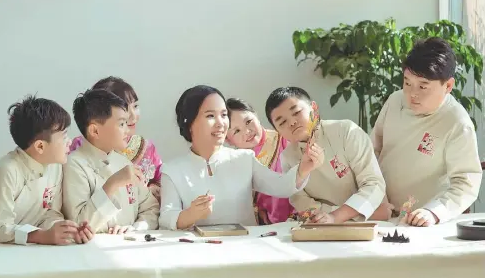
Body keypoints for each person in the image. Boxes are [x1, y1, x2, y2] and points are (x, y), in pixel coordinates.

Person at [159, 85, 324, 230]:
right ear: (189, 122)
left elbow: (280, 186)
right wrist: (190, 214)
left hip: (246, 250)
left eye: (223, 115)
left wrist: (303, 169)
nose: (221, 123)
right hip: (199, 253)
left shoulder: (244, 159)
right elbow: (167, 216)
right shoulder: (172, 170)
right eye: (210, 116)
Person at [372, 37, 482, 226]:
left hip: (422, 221)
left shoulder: (457, 122)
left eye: (423, 86)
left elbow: (466, 182)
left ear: (448, 86)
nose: (412, 93)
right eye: (407, 83)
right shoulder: (394, 101)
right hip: (380, 211)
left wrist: (433, 212)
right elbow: (372, 152)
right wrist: (372, 196)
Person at [0, 95, 94, 245]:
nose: (69, 142)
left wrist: (65, 231)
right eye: (63, 136)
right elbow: (0, 229)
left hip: (25, 248)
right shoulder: (6, 171)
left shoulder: (55, 166)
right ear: (40, 146)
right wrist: (42, 236)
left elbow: (49, 213)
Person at [266, 87, 391, 223]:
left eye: (296, 112)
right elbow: (300, 201)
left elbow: (373, 183)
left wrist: (336, 216)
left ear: (313, 108)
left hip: (368, 225)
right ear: (277, 130)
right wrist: (332, 216)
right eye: (282, 122)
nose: (292, 122)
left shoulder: (345, 131)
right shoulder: (288, 157)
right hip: (325, 224)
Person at [62, 89, 159, 234]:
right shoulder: (74, 164)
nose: (127, 130)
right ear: (95, 131)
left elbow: (151, 208)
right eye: (121, 124)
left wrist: (135, 228)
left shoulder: (124, 162)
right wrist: (113, 184)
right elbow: (79, 225)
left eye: (126, 123)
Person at [70, 76, 163, 200]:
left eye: (135, 106)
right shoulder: (79, 148)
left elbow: (161, 182)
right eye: (124, 109)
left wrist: (151, 189)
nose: (133, 116)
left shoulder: (147, 148)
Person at [225, 98, 293, 224]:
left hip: (299, 218)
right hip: (261, 227)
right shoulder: (232, 162)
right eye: (237, 131)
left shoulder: (285, 140)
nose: (247, 131)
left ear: (256, 115)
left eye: (248, 121)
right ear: (228, 140)